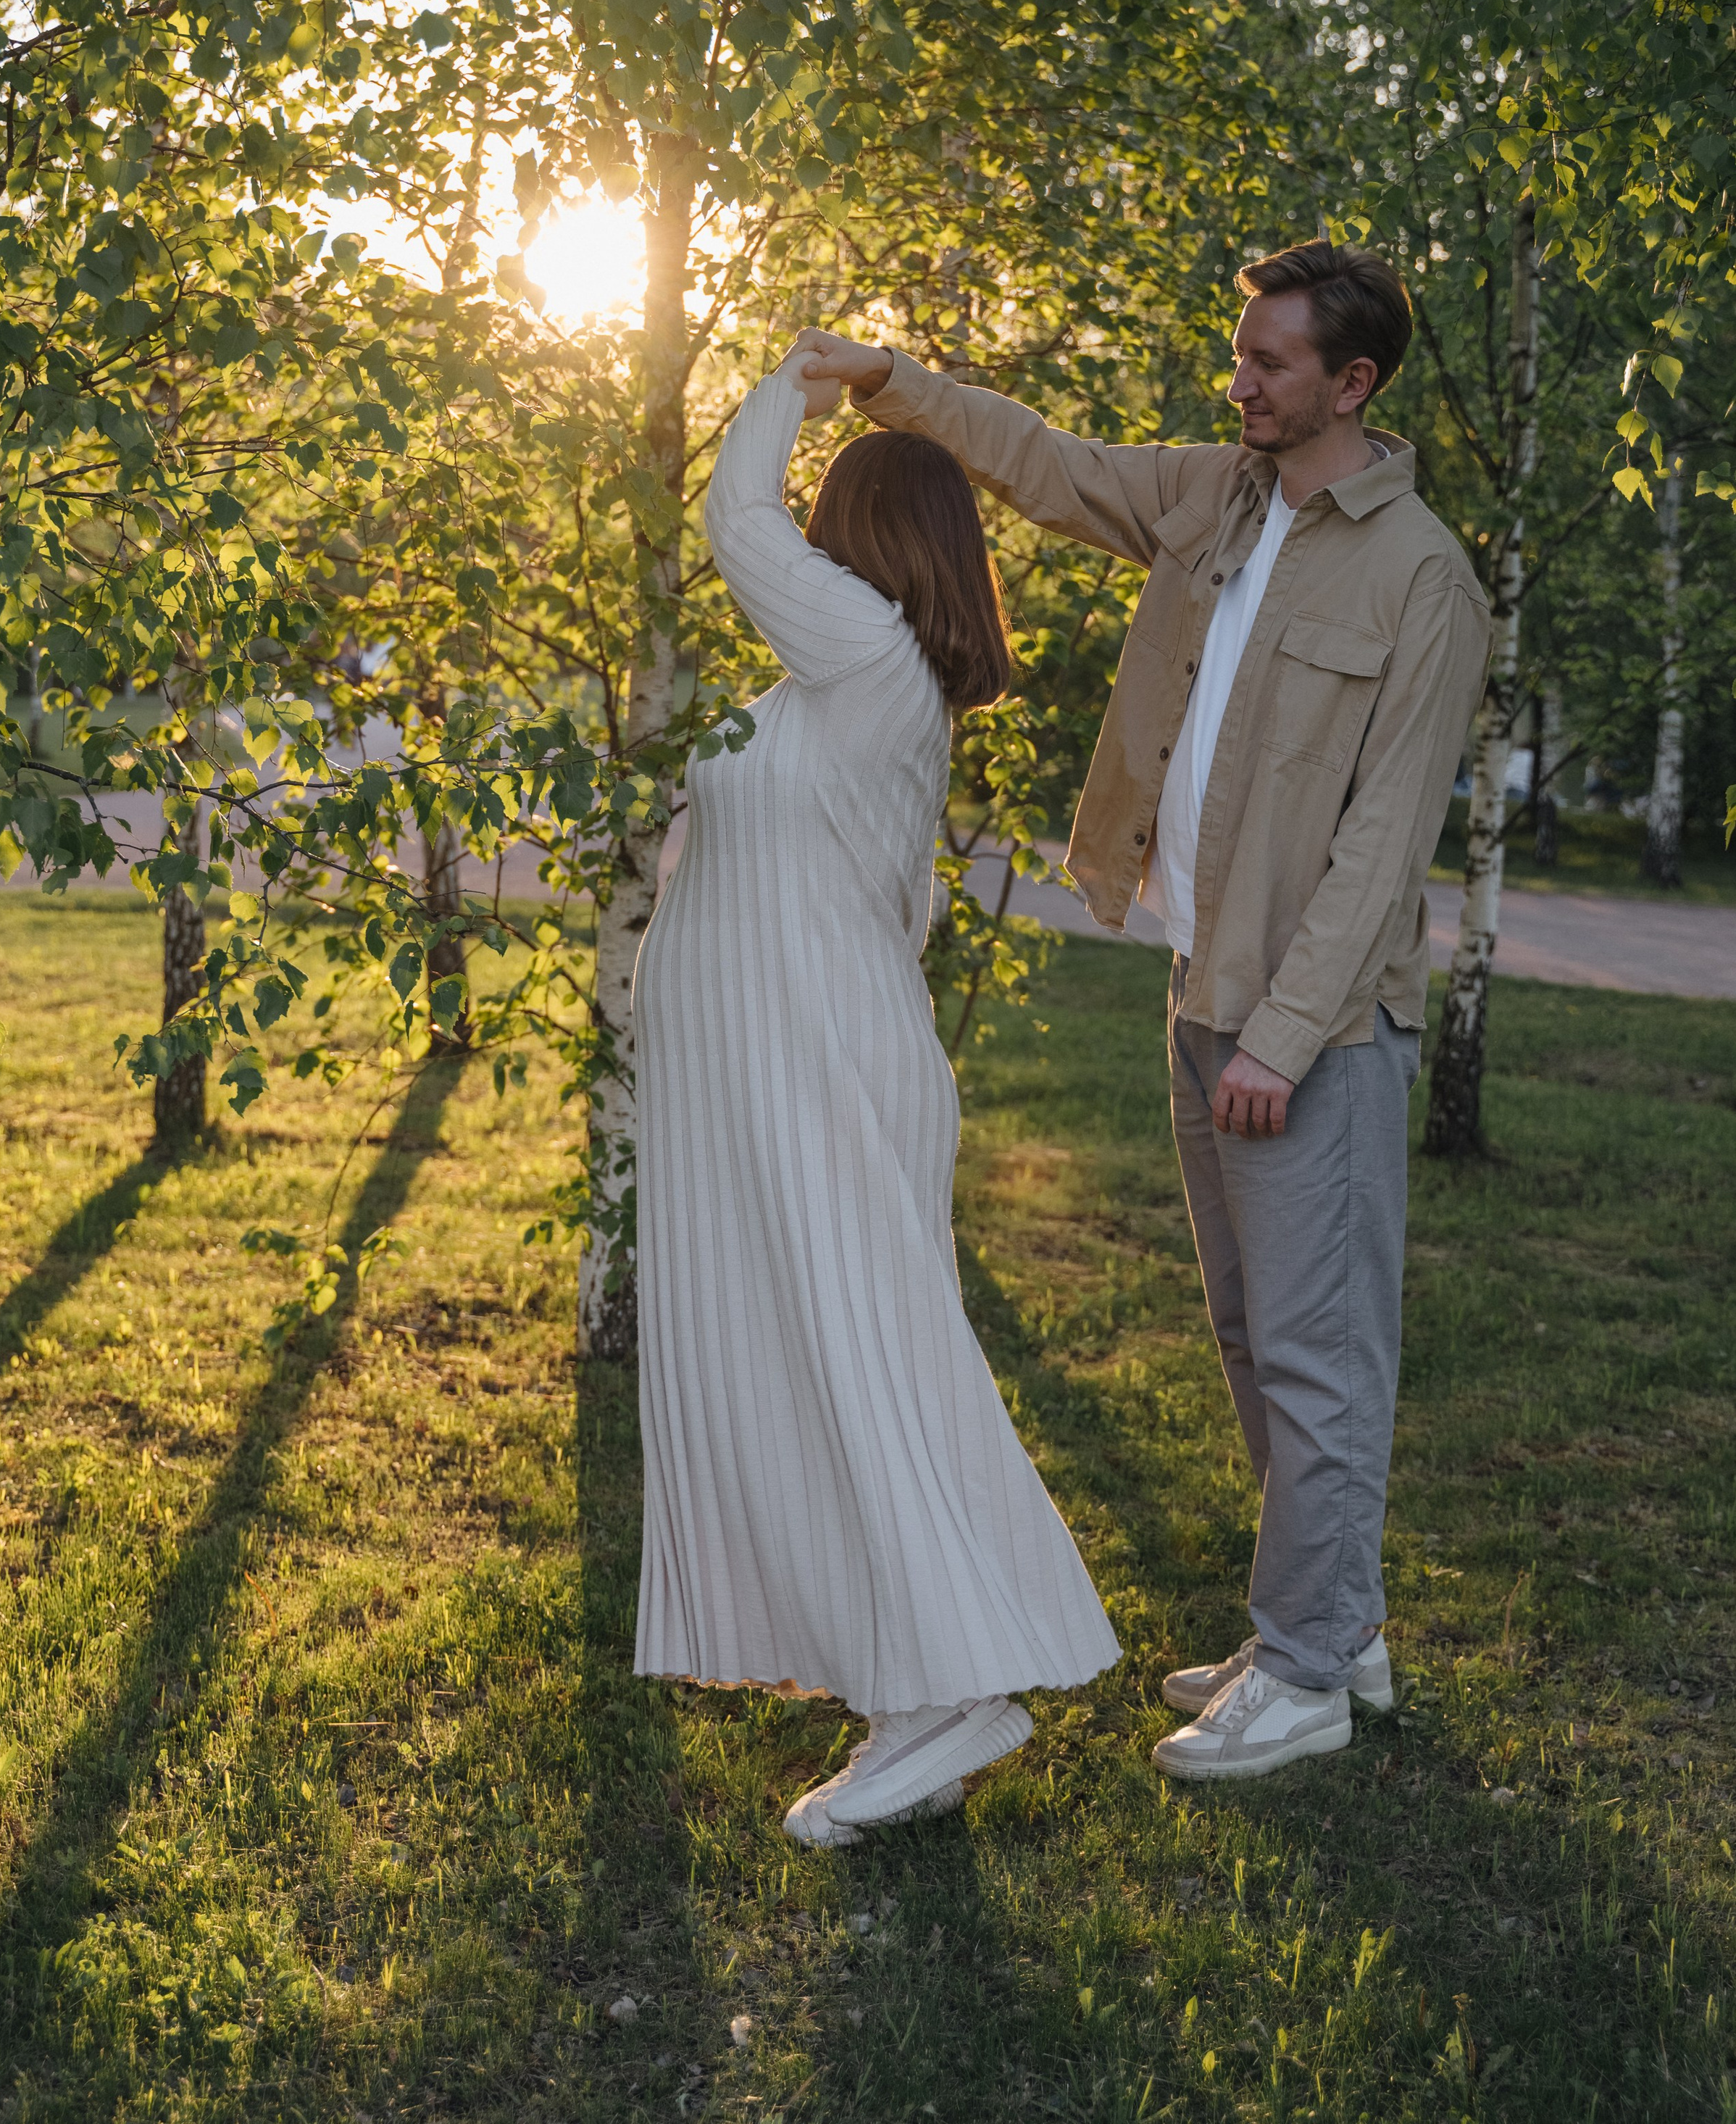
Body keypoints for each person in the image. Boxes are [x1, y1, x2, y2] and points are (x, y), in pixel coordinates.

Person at [798, 242, 1490, 1783]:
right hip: (1204, 994)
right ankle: (1336, 1624)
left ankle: (1304, 1675)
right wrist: (885, 379)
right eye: (1235, 353)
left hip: (1302, 1029)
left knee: (1316, 1352)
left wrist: (1280, 1037)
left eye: (1267, 364)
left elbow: (1384, 846)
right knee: (1254, 1337)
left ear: (1352, 384)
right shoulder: (1215, 496)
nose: (1235, 381)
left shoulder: (1420, 577)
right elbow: (1044, 466)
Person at [633, 341, 1119, 1846]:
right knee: (815, 1374)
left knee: (864, 1371)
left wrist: (794, 377)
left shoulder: (858, 652)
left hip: (815, 1079)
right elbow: (874, 904)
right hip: (799, 1073)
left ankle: (965, 1681)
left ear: (856, 537)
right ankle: (911, 1681)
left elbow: (730, 519)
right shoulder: (841, 690)